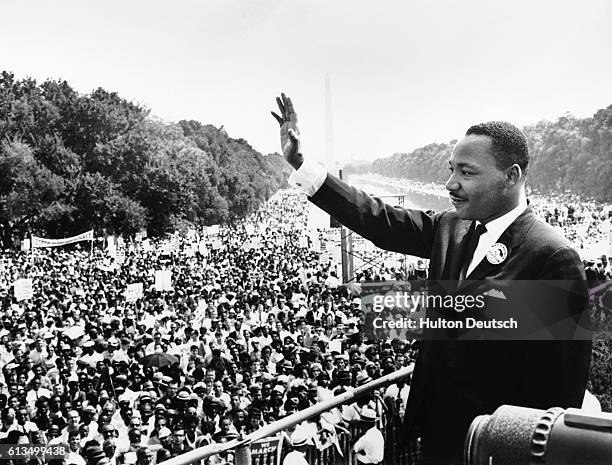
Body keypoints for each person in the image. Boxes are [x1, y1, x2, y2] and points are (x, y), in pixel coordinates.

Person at [272, 93, 592, 465]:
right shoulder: (451, 226)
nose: (450, 183)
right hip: (437, 436)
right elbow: (377, 219)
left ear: (512, 176)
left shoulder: (551, 256)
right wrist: (300, 163)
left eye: (466, 172)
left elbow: (557, 390)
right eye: (451, 169)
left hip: (494, 450)